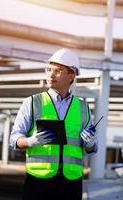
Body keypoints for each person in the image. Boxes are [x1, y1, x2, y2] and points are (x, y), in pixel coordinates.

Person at [9, 48, 97, 200]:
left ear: (71, 75)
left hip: (71, 183)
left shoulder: (83, 108)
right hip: (38, 181)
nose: (50, 74)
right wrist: (30, 141)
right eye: (49, 69)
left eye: (58, 71)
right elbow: (13, 139)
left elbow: (90, 149)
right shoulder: (32, 103)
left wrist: (90, 143)